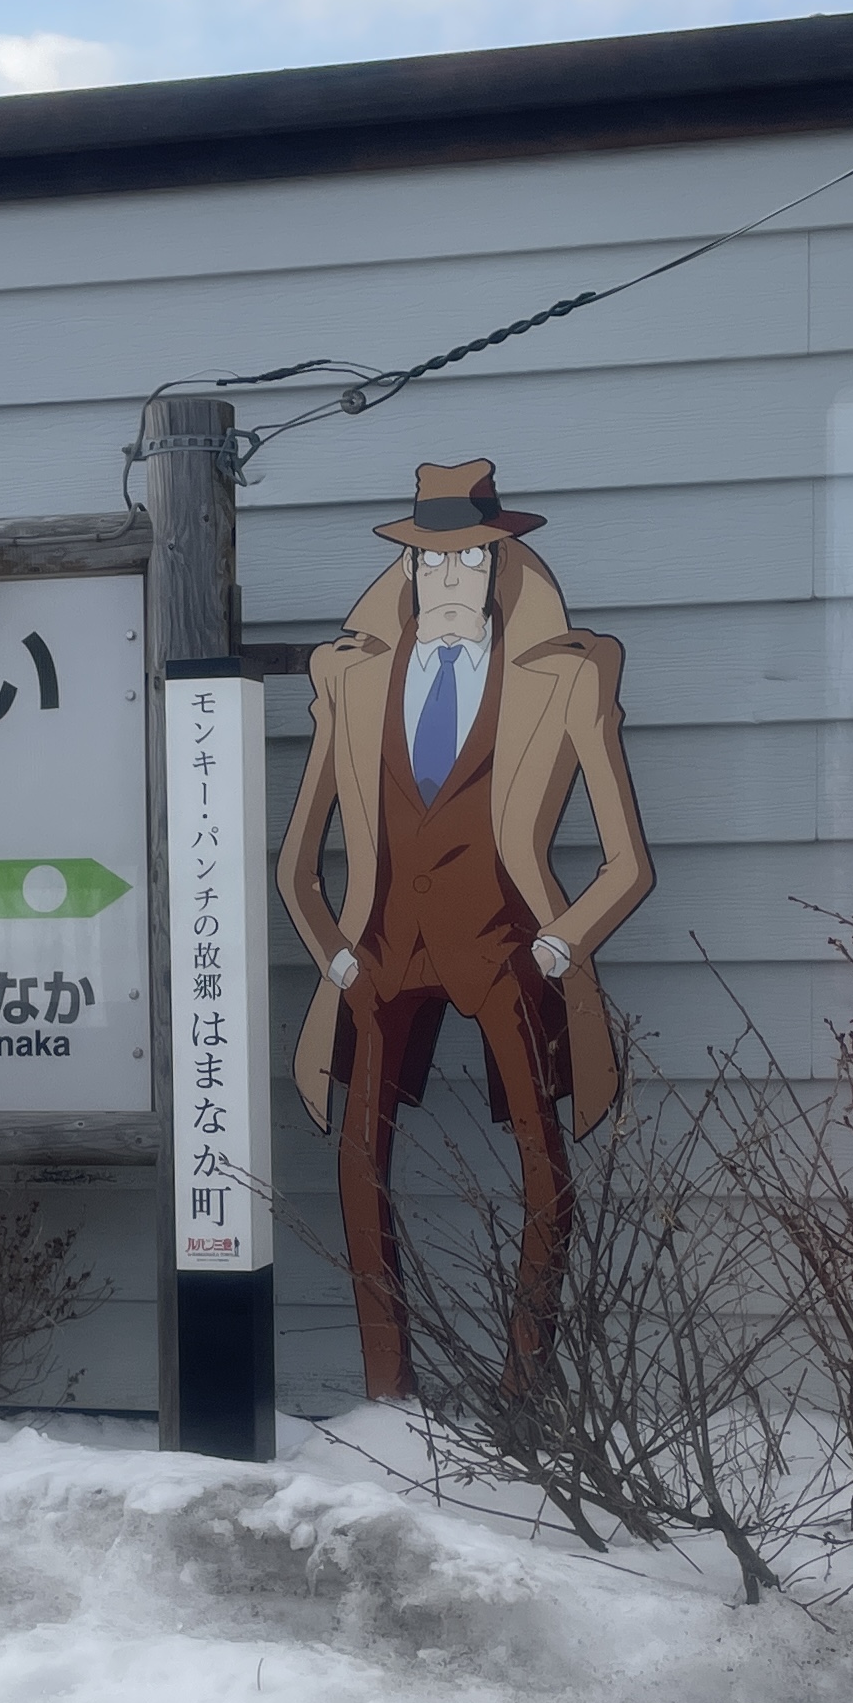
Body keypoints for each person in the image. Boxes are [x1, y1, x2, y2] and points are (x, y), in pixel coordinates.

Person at [275, 461, 655, 1400]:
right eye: (432, 563)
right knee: (358, 1164)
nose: (450, 580)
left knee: (543, 1165)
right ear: (407, 573)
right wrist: (335, 955)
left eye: (471, 562)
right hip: (380, 953)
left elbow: (627, 862)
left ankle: (524, 1388)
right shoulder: (349, 678)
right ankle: (387, 1390)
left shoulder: (565, 679)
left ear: (500, 569)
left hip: (509, 950)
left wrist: (558, 946)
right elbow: (297, 858)